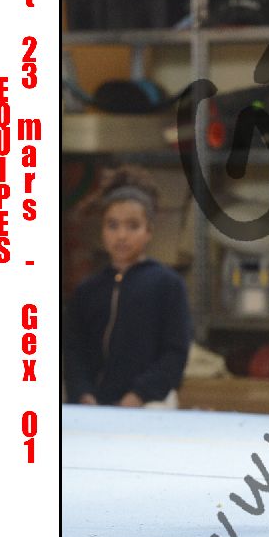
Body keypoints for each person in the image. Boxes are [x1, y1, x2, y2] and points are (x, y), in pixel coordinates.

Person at [63, 166, 192, 407]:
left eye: (132, 226)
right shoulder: (87, 290)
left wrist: (139, 395)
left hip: (149, 402)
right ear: (102, 229)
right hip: (93, 403)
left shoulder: (167, 285)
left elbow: (175, 352)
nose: (121, 235)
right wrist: (83, 393)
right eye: (113, 225)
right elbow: (73, 351)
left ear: (149, 230)